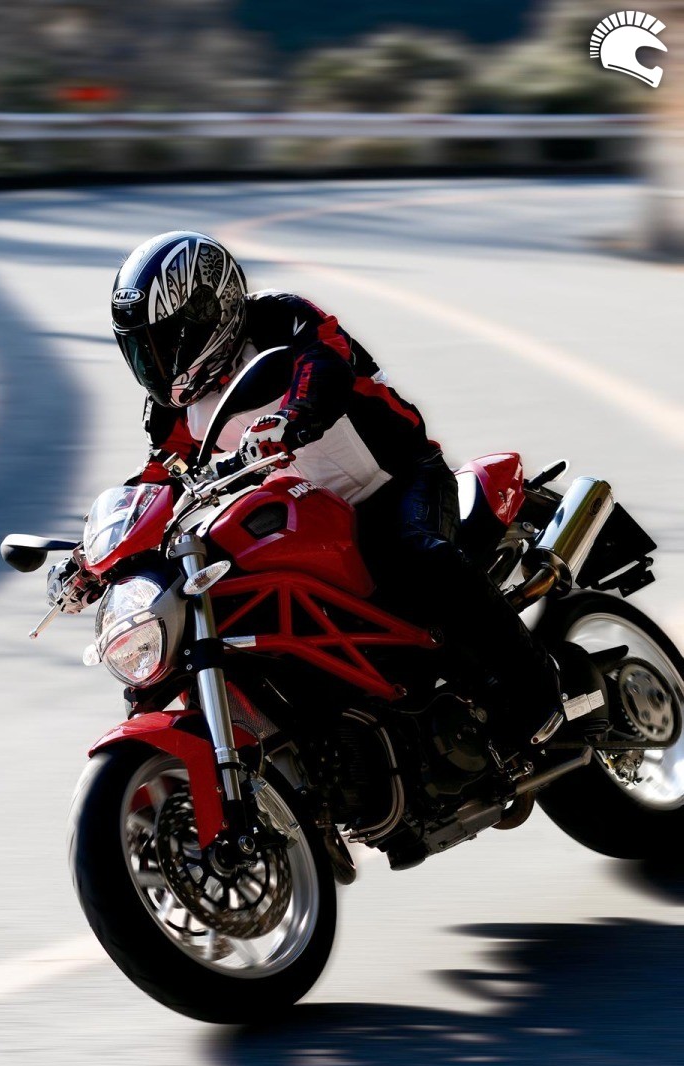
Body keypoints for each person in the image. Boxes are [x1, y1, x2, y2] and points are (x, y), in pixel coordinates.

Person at [63, 229, 561, 747]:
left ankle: (536, 691)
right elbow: (160, 478)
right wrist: (97, 557)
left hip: (395, 480)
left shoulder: (281, 319)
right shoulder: (173, 408)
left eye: (166, 341)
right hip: (310, 511)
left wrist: (291, 419)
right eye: (142, 348)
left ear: (211, 312)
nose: (157, 361)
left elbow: (325, 364)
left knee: (415, 555)